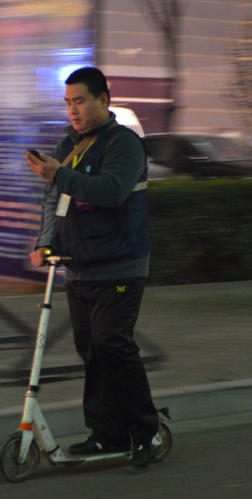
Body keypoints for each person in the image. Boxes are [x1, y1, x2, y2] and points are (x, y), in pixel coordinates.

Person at [25, 66, 161, 468]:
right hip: (79, 268)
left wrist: (59, 173)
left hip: (120, 267)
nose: (73, 110)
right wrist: (44, 241)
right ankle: (106, 434)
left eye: (80, 101)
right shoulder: (70, 144)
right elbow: (54, 200)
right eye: (68, 103)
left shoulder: (124, 144)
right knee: (92, 352)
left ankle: (147, 431)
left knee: (113, 346)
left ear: (104, 99)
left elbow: (111, 192)